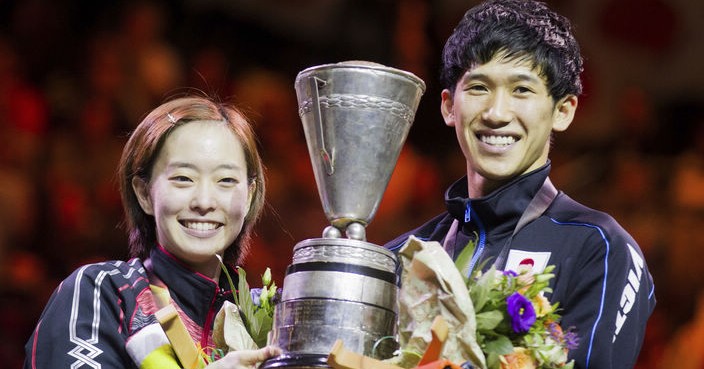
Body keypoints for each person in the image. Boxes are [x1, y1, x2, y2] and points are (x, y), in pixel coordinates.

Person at [385, 1, 656, 369]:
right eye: (479, 87)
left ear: (563, 110)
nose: (497, 113)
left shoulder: (599, 247)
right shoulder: (401, 257)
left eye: (522, 90)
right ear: (449, 106)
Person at [24, 95, 282, 369]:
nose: (204, 202)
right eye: (183, 178)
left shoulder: (269, 317)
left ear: (250, 196)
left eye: (226, 180)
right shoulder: (103, 294)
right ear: (144, 193)